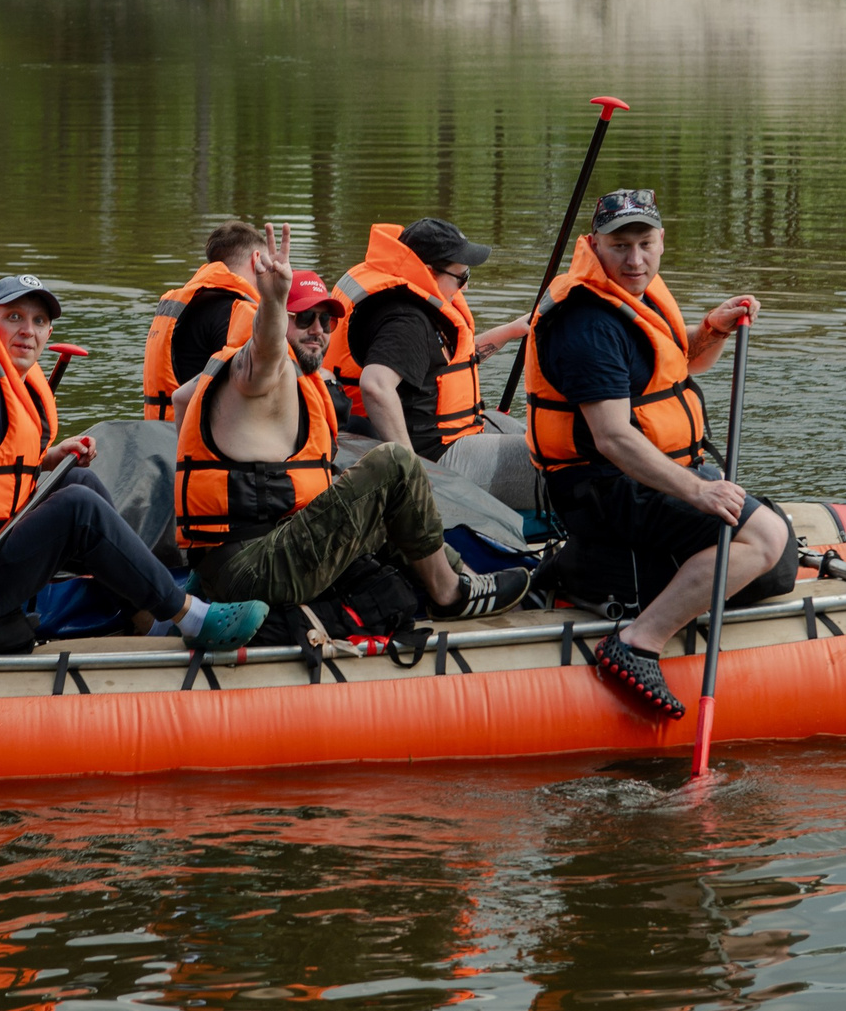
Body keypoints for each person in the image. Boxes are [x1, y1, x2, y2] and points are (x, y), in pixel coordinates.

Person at [0, 188, 268, 651]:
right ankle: (191, 617)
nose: (28, 330)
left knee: (74, 481)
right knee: (76, 508)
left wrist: (46, 459)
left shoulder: (16, 383)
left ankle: (147, 609)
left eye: (39, 321)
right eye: (14, 316)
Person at [522, 188, 794, 719]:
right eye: (620, 246)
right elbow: (613, 437)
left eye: (645, 243)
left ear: (662, 240)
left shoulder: (635, 294)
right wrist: (698, 490)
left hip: (639, 475)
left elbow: (677, 365)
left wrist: (712, 329)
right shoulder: (587, 324)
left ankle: (601, 575)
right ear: (594, 245)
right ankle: (638, 642)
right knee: (765, 538)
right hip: (603, 487)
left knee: (773, 551)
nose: (635, 259)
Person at [176, 226, 534, 620]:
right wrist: (273, 302)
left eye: (326, 321)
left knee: (380, 503)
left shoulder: (242, 372)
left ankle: (465, 577)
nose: (317, 330)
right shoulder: (259, 371)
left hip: (245, 554)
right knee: (394, 463)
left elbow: (181, 399)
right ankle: (449, 594)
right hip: (253, 566)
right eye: (303, 319)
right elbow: (264, 352)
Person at [325, 218, 528, 459]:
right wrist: (409, 464)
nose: (465, 288)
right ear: (429, 272)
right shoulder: (406, 321)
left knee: (527, 434)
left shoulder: (414, 303)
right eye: (462, 277)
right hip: (435, 453)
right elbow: (375, 385)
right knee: (543, 456)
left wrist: (511, 331)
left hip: (454, 433)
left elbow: (444, 363)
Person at [139, 221, 264, 420]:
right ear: (256, 259)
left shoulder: (186, 304)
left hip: (159, 429)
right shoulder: (237, 311)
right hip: (195, 435)